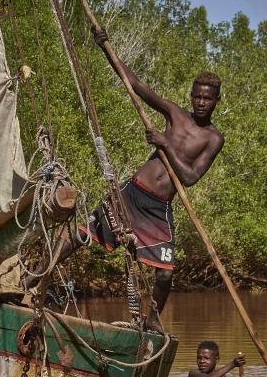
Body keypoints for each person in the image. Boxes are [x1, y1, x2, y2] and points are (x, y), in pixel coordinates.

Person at [48, 26, 225, 332]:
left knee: (166, 273)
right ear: (191, 96)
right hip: (133, 194)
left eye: (206, 99)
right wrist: (106, 48)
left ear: (216, 101)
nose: (200, 103)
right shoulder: (174, 114)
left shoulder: (213, 138)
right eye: (196, 96)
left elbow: (191, 177)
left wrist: (165, 144)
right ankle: (39, 275)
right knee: (82, 235)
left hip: (159, 207)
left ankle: (152, 318)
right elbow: (135, 85)